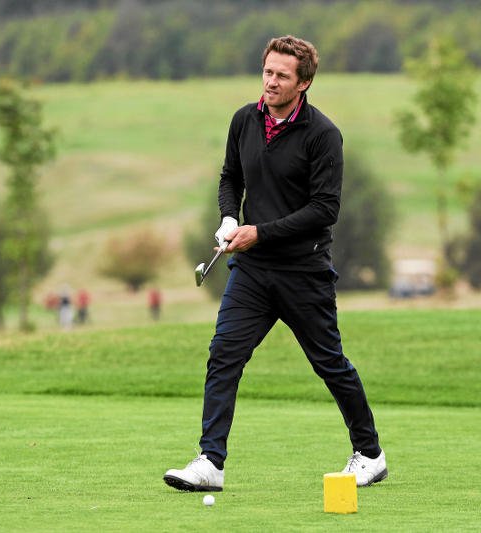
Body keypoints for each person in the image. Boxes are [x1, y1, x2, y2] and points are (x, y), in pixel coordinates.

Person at [163, 35, 386, 492]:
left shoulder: (323, 135)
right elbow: (231, 176)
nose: (271, 81)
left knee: (330, 363)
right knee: (224, 353)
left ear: (303, 83)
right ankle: (211, 462)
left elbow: (325, 210)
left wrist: (258, 231)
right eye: (267, 71)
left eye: (282, 75)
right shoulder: (244, 120)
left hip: (304, 271)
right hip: (253, 271)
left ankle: (370, 453)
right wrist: (229, 216)